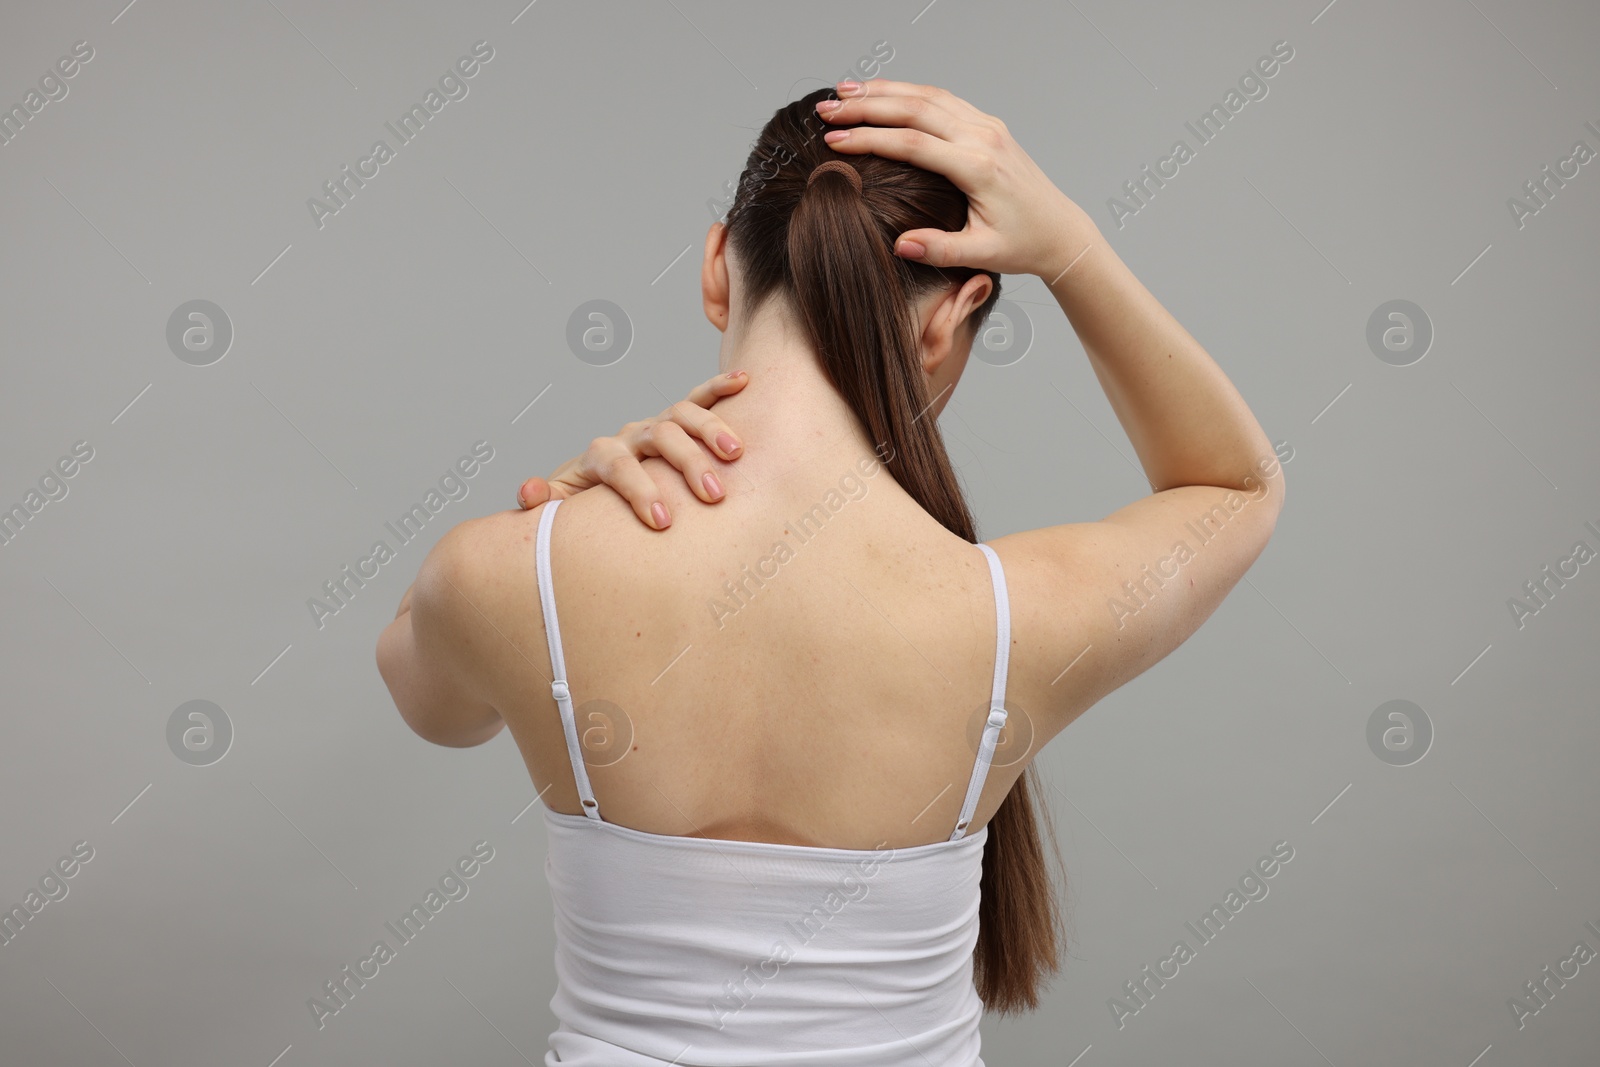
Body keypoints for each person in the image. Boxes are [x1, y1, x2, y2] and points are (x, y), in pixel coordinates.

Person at [377, 78, 1285, 1066]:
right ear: (953, 312)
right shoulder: (1010, 618)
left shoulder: (510, 577)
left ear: (718, 265)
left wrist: (553, 507)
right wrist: (1068, 246)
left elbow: (426, 699)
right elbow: (1236, 486)